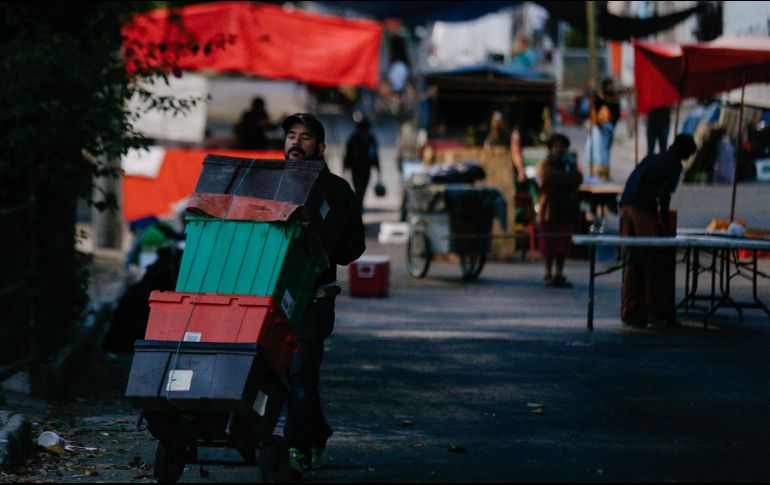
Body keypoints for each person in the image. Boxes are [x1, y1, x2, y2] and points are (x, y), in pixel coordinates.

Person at [281, 113, 366, 477]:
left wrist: (329, 250)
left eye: (305, 137)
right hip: (268, 298)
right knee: (280, 374)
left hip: (314, 298)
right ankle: (316, 432)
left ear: (321, 147)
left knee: (300, 373)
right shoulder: (270, 182)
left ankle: (296, 447)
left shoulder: (337, 190)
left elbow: (355, 247)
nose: (296, 143)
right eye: (291, 136)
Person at [619, 134, 698, 328]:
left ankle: (631, 310)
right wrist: (662, 221)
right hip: (642, 208)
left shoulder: (652, 157)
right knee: (651, 259)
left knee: (634, 260)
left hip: (626, 205)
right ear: (685, 153)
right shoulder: (674, 166)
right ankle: (655, 311)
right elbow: (664, 194)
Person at [537, 133, 583, 288]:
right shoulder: (545, 164)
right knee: (549, 243)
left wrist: (565, 178)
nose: (560, 149)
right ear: (551, 148)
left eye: (563, 146)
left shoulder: (570, 163)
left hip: (566, 209)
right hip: (549, 209)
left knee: (563, 243)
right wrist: (568, 177)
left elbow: (578, 179)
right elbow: (549, 177)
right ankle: (548, 273)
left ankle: (559, 274)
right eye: (556, 146)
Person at [584, 78, 621, 180]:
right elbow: (593, 110)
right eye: (610, 85)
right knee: (598, 151)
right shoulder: (598, 98)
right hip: (599, 127)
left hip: (608, 127)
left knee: (604, 151)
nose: (611, 88)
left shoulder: (614, 99)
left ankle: (604, 173)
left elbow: (616, 114)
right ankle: (599, 173)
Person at [343, 114, 381, 213]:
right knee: (360, 192)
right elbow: (374, 155)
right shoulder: (364, 139)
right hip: (360, 169)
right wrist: (378, 170)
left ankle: (358, 212)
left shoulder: (356, 138)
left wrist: (345, 168)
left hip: (360, 169)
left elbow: (347, 155)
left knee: (360, 192)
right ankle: (358, 212)